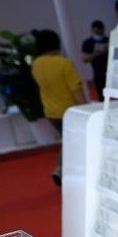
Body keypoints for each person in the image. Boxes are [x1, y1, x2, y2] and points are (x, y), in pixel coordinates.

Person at [30, 29, 86, 186]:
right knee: (72, 142)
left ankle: (64, 171)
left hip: (50, 112)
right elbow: (76, 89)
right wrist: (85, 110)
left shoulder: (36, 64)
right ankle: (61, 170)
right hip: (69, 111)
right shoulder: (64, 63)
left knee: (69, 141)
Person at [81, 20, 108, 100]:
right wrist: (96, 54)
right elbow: (84, 59)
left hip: (112, 70)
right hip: (98, 72)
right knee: (102, 96)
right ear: (93, 30)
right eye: (97, 31)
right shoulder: (88, 42)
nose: (99, 33)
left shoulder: (108, 40)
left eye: (100, 31)